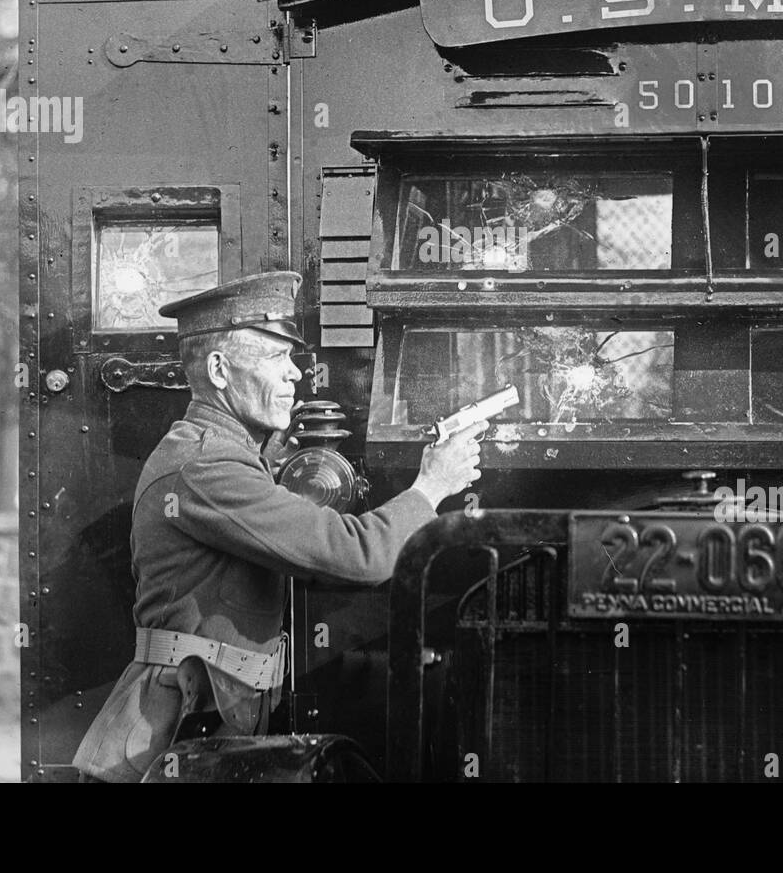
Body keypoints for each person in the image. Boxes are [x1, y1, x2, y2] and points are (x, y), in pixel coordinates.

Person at [73, 270, 483, 782]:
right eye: (275, 357)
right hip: (183, 729)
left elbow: (313, 562)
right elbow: (356, 556)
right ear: (220, 370)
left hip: (210, 720)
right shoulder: (208, 468)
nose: (296, 375)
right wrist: (431, 485)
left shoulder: (227, 459)